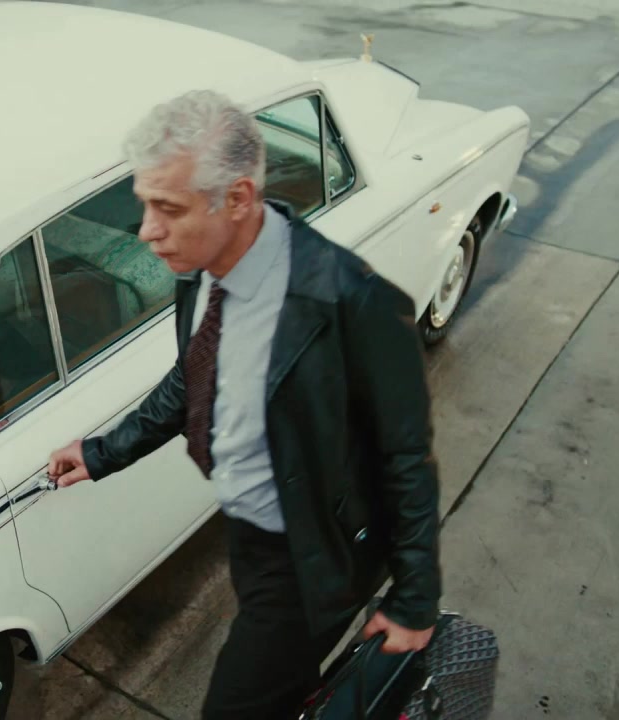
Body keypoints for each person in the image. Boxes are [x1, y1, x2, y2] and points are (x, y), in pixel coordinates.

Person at [46, 89, 442, 719]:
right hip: (250, 531)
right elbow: (195, 374)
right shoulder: (200, 269)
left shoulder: (353, 301)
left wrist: (415, 601)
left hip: (310, 552)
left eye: (168, 208)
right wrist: (103, 452)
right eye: (145, 204)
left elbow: (407, 457)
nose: (147, 232)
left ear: (237, 200)